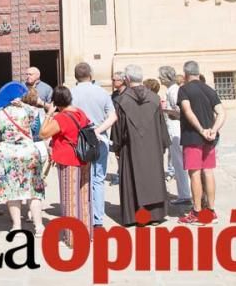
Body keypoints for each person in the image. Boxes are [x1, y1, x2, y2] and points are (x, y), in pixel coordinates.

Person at [114, 65, 170, 226]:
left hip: (130, 146)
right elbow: (161, 123)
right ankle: (155, 215)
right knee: (153, 176)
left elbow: (118, 127)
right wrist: (163, 143)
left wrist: (116, 146)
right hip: (152, 144)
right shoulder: (154, 98)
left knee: (132, 176)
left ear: (127, 79)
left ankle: (135, 216)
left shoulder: (122, 100)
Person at [0, 90, 45, 234]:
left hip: (7, 154)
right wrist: (23, 104)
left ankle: (16, 226)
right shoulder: (27, 111)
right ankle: (39, 226)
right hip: (28, 152)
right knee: (34, 190)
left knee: (12, 192)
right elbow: (37, 114)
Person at [39, 86, 92, 248]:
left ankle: (73, 238)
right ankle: (86, 233)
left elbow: (43, 133)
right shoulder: (80, 113)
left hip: (68, 159)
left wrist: (48, 114)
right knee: (84, 199)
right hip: (84, 158)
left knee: (70, 199)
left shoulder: (62, 118)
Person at [177, 60, 226, 225]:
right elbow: (221, 112)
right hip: (209, 138)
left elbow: (187, 110)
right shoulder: (209, 89)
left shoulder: (184, 89)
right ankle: (211, 211)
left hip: (193, 137)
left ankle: (197, 211)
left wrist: (201, 129)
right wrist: (213, 129)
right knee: (208, 172)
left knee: (195, 173)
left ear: (185, 74)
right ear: (198, 72)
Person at [69, 62, 117, 229]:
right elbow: (112, 117)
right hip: (99, 140)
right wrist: (98, 131)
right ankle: (97, 219)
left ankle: (81, 214)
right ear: (91, 74)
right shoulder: (102, 92)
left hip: (78, 141)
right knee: (98, 180)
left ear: (76, 76)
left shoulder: (71, 93)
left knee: (80, 179)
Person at [159, 66, 191, 204]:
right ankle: (184, 193)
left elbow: (179, 112)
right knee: (178, 162)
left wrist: (165, 111)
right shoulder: (172, 90)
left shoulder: (174, 91)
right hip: (174, 128)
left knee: (179, 163)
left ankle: (184, 194)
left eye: (161, 76)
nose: (159, 79)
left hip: (176, 128)